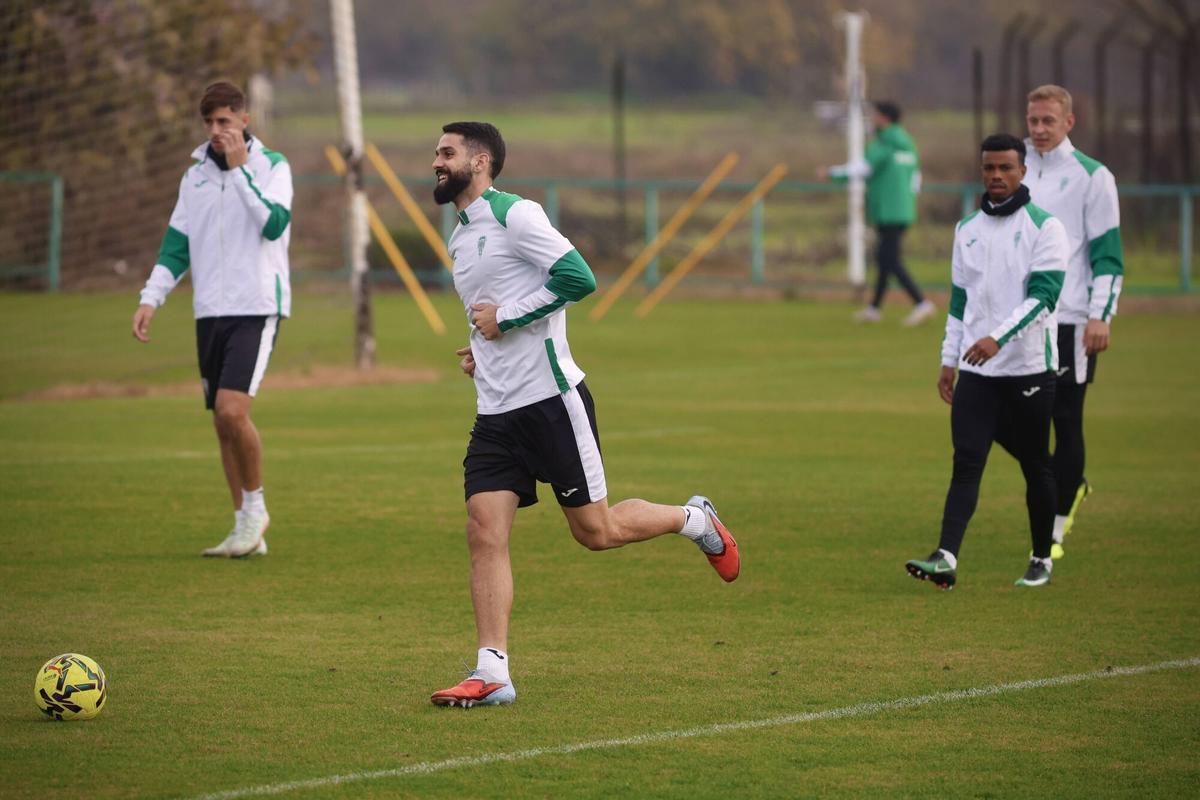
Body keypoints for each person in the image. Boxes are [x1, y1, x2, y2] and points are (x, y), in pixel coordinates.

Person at [427, 122, 740, 708]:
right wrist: (483, 347)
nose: (436, 162)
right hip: (495, 413)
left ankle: (693, 519)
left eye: (447, 153)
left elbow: (578, 278)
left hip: (551, 402)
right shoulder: (460, 237)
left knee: (596, 532)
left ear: (482, 160)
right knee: (482, 530)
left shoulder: (517, 215)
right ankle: (492, 670)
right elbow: (493, 314)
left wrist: (508, 319)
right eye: (437, 153)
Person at [131, 81, 292, 558]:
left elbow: (274, 224)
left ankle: (256, 508)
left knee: (231, 411)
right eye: (210, 122)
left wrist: (242, 172)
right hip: (210, 312)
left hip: (257, 306)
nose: (216, 130)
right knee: (221, 424)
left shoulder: (272, 166)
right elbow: (177, 246)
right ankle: (245, 526)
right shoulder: (194, 177)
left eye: (225, 120)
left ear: (244, 119)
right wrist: (150, 299)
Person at [906, 134, 1068, 590]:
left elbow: (1045, 298)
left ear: (1023, 171)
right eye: (989, 168)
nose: (996, 176)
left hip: (1029, 369)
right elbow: (960, 302)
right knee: (967, 461)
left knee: (1035, 465)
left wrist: (998, 338)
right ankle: (945, 557)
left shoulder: (1046, 228)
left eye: (1006, 168)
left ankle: (1041, 557)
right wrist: (947, 360)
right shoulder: (967, 230)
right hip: (977, 370)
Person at [1024, 84, 1124, 559]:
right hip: (1021, 321)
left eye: (1048, 121)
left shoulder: (1093, 177)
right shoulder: (1013, 168)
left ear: (1069, 122)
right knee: (1021, 421)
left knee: (1065, 419)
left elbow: (1108, 256)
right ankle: (1061, 488)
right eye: (1033, 121)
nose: (1039, 130)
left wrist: (1098, 316)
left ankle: (1059, 518)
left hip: (1069, 321)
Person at [818, 101, 936, 326]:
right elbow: (916, 179)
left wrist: (831, 173)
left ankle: (922, 303)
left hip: (887, 211)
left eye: (875, 116)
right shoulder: (908, 144)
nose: (872, 120)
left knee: (889, 260)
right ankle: (874, 309)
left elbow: (861, 169)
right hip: (903, 210)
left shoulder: (884, 144)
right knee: (884, 261)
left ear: (884, 118)